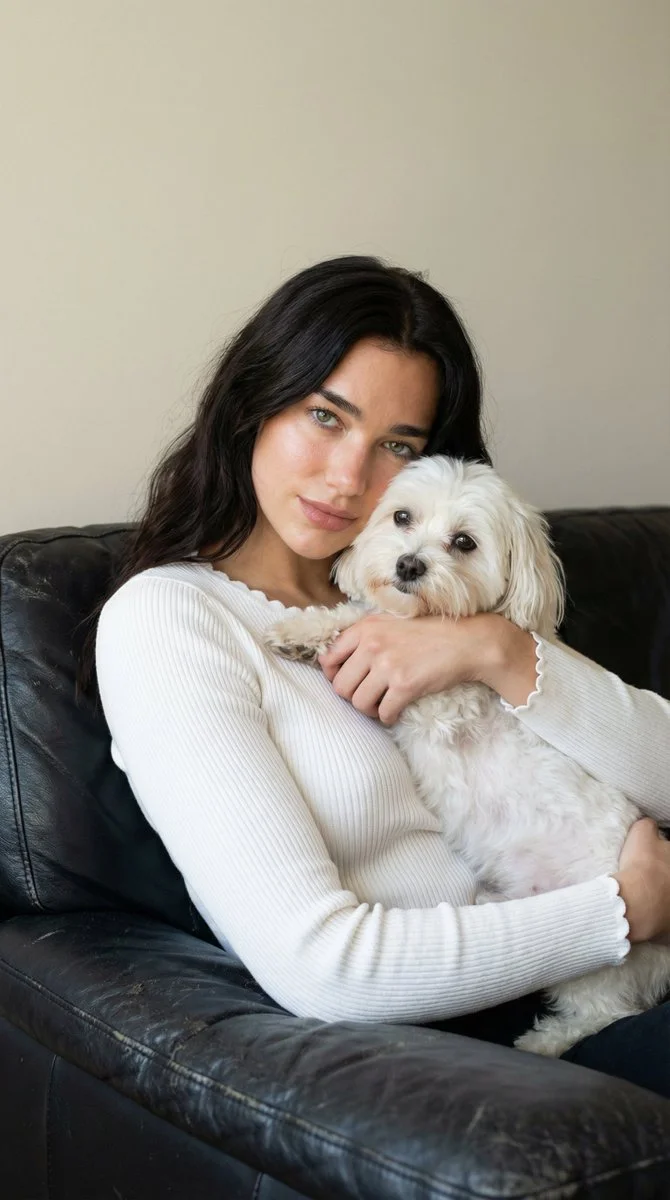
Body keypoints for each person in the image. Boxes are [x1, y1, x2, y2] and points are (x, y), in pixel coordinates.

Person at [82, 256, 670, 1098]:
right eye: (326, 416)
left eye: (398, 445)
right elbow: (321, 967)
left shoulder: (449, 594)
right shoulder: (171, 622)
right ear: (254, 401)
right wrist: (621, 911)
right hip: (492, 1022)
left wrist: (496, 651)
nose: (349, 477)